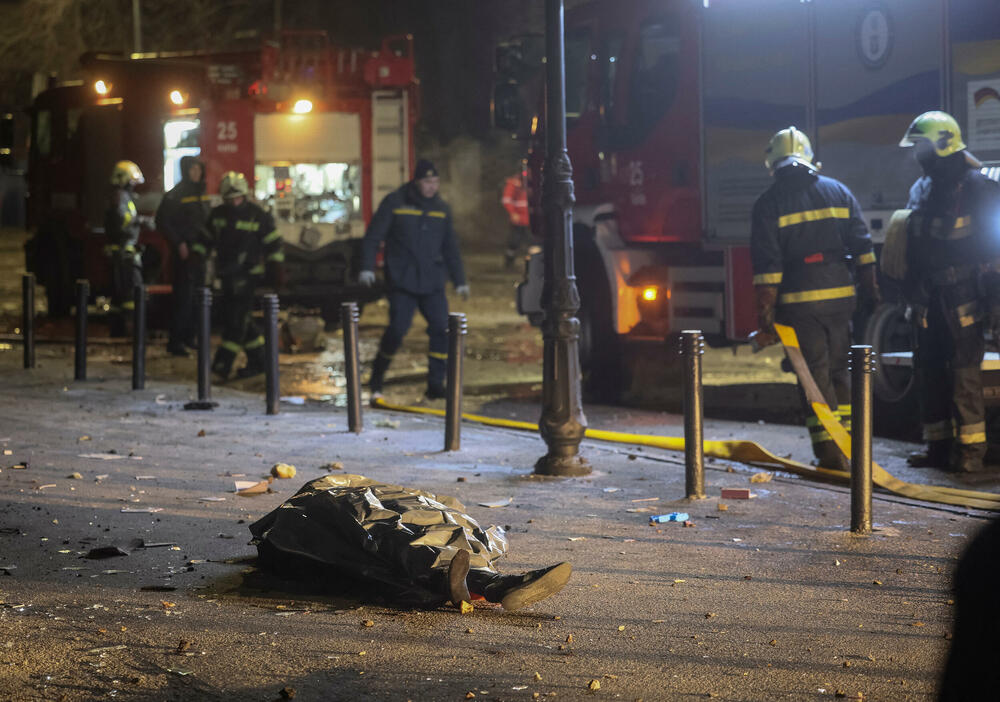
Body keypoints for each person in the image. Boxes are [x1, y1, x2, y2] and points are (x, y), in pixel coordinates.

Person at [750, 126, 879, 471]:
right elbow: (864, 250)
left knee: (814, 379)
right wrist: (870, 296)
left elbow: (767, 275)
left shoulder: (768, 204)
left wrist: (765, 323)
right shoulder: (839, 192)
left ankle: (830, 455)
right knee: (840, 373)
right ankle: (850, 448)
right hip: (841, 301)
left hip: (799, 305)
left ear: (773, 162)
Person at [250, 473, 573, 611]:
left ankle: (481, 580)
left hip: (384, 520)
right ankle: (490, 581)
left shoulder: (363, 490)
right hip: (335, 512)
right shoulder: (316, 498)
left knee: (428, 527)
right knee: (386, 527)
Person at [896, 111, 1000, 473]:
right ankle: (937, 448)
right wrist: (909, 290)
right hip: (928, 297)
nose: (917, 154)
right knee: (929, 371)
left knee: (963, 373)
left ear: (943, 144)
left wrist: (996, 305)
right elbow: (913, 243)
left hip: (964, 295)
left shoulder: (979, 188)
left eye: (922, 146)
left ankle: (971, 453)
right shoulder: (921, 188)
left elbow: (995, 252)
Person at [359, 159, 469, 400]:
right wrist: (367, 267)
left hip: (432, 283)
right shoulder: (395, 202)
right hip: (402, 281)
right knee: (397, 330)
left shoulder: (441, 209)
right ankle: (377, 377)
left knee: (442, 330)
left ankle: (435, 384)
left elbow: (451, 247)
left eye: (436, 182)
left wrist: (460, 280)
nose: (432, 186)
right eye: (427, 181)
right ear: (417, 181)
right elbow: (373, 236)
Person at [206, 171, 284, 381]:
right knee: (243, 321)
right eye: (230, 199)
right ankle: (259, 363)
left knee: (236, 322)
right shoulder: (219, 215)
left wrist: (275, 269)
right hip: (226, 276)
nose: (234, 203)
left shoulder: (258, 215)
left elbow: (274, 244)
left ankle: (221, 366)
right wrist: (197, 257)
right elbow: (205, 239)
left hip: (248, 276)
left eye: (238, 198)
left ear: (245, 195)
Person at [155, 157, 212, 357]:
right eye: (193, 169)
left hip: (200, 254)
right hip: (185, 254)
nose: (196, 173)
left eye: (199, 169)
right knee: (184, 298)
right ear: (186, 171)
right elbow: (162, 221)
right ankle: (176, 341)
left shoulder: (201, 194)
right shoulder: (176, 194)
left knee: (198, 298)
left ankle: (190, 337)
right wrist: (178, 243)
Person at [104, 160, 147, 336]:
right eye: (131, 182)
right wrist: (143, 221)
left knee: (120, 295)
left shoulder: (121, 196)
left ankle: (119, 331)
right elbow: (122, 220)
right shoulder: (120, 197)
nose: (133, 186)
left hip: (121, 252)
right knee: (132, 293)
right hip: (125, 253)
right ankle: (133, 332)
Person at [502, 169, 530, 269]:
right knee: (514, 242)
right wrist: (513, 213)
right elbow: (507, 199)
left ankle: (532, 265)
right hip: (519, 219)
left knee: (532, 243)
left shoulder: (535, 182)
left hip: (530, 219)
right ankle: (509, 263)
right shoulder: (514, 183)